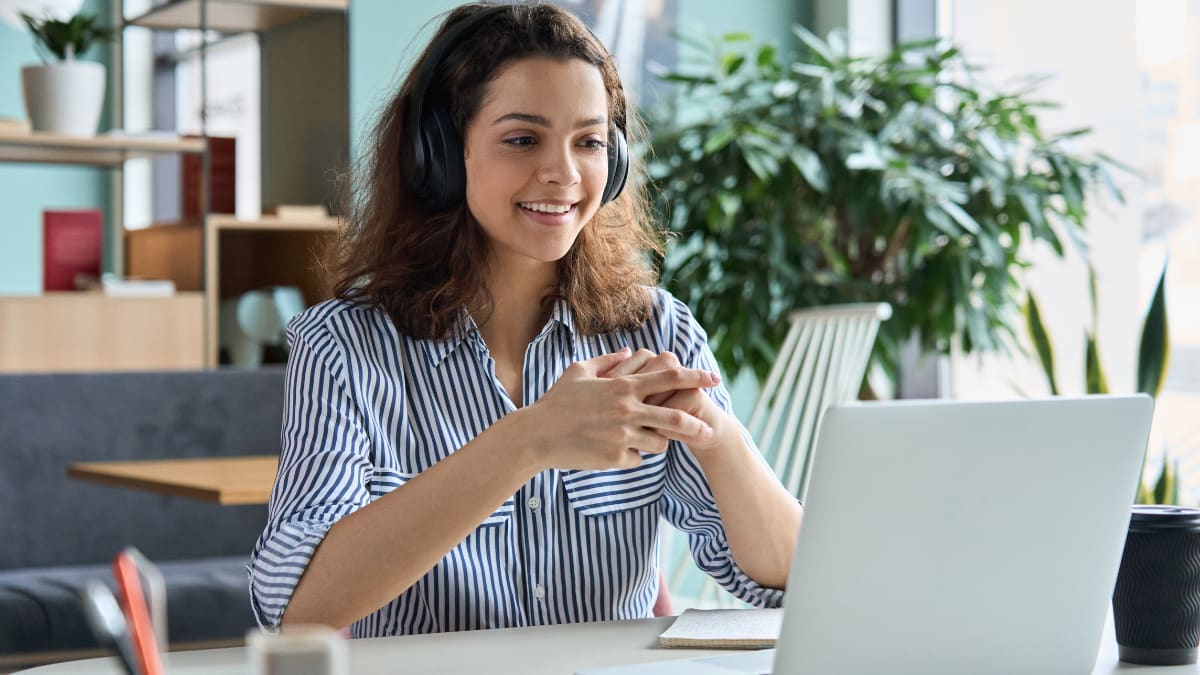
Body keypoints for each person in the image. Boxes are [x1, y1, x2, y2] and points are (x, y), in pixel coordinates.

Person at [248, 1, 802, 636]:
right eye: (522, 139)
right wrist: (530, 439)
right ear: (441, 156)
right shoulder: (344, 346)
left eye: (590, 142)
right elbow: (294, 607)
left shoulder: (656, 329)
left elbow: (791, 581)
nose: (563, 173)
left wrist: (719, 437)